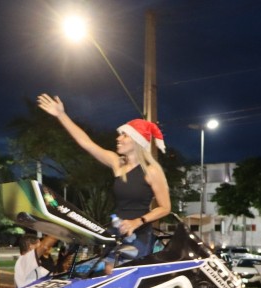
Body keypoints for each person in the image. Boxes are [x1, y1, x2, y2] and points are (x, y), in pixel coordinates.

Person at [37, 93, 171, 258]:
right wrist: (61, 115)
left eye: (124, 135)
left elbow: (165, 208)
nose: (118, 138)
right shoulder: (117, 164)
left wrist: (138, 221)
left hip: (139, 233)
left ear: (137, 141)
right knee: (106, 269)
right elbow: (87, 143)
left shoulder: (152, 170)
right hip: (117, 230)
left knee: (124, 270)